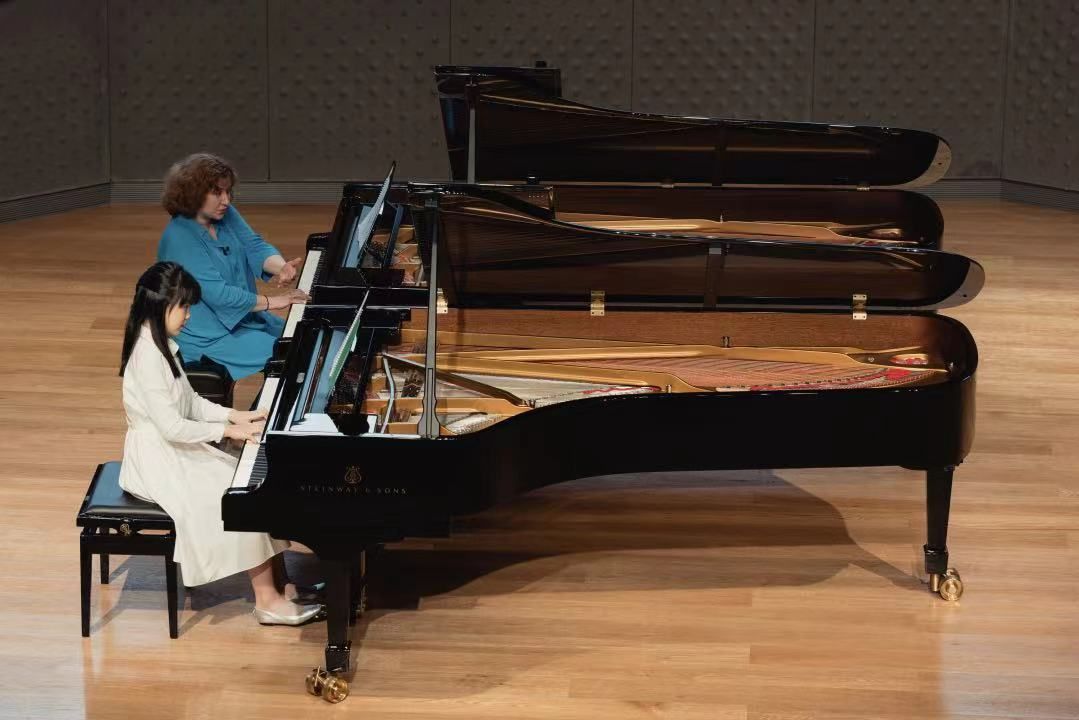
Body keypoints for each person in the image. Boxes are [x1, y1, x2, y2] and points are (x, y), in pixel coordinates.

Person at [118, 261, 321, 626]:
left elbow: (192, 403)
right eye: (183, 306)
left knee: (251, 484)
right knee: (237, 493)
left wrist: (236, 416)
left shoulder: (160, 342)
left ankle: (281, 583)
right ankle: (267, 600)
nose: (188, 315)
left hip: (171, 448)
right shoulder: (147, 355)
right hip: (155, 459)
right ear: (161, 305)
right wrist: (227, 431)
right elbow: (172, 427)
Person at [157, 153, 309, 381]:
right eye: (217, 193)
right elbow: (220, 295)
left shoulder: (224, 214)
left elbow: (254, 245)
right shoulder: (179, 238)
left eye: (228, 192)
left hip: (243, 318)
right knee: (297, 353)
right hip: (209, 336)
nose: (226, 200)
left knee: (309, 337)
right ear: (193, 193)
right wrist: (274, 302)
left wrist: (281, 267)